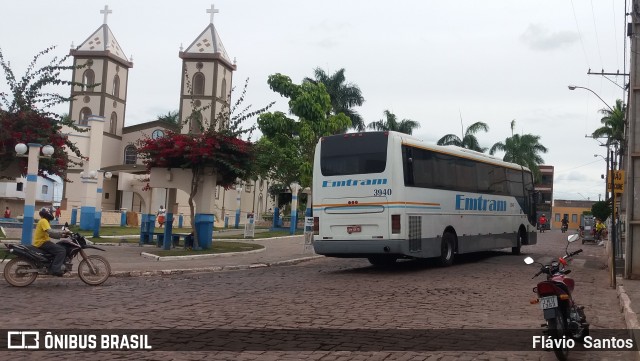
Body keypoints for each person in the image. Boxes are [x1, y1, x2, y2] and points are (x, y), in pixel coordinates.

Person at [33, 207, 67, 276]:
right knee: (61, 251)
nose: (52, 214)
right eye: (51, 212)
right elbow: (51, 232)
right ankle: (55, 269)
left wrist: (63, 236)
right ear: (48, 213)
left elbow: (50, 234)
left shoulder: (44, 221)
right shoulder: (44, 221)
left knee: (59, 247)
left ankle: (52, 265)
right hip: (42, 243)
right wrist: (62, 232)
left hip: (42, 242)